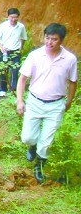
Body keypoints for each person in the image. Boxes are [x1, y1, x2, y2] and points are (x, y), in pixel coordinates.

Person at [16, 23, 77, 183]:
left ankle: (39, 165)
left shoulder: (69, 59)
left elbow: (72, 82)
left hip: (56, 104)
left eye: (54, 39)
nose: (50, 42)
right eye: (47, 38)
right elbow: (22, 79)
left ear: (61, 40)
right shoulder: (35, 56)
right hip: (35, 101)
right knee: (28, 137)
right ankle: (32, 146)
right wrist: (20, 101)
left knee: (47, 141)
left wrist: (69, 101)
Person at [0, 8, 28, 96]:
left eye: (15, 17)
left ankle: (12, 90)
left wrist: (20, 49)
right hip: (4, 51)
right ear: (8, 17)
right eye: (11, 17)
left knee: (15, 71)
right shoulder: (3, 26)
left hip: (15, 52)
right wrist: (1, 47)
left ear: (18, 17)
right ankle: (3, 89)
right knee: (2, 70)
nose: (13, 19)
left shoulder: (21, 27)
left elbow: (23, 38)